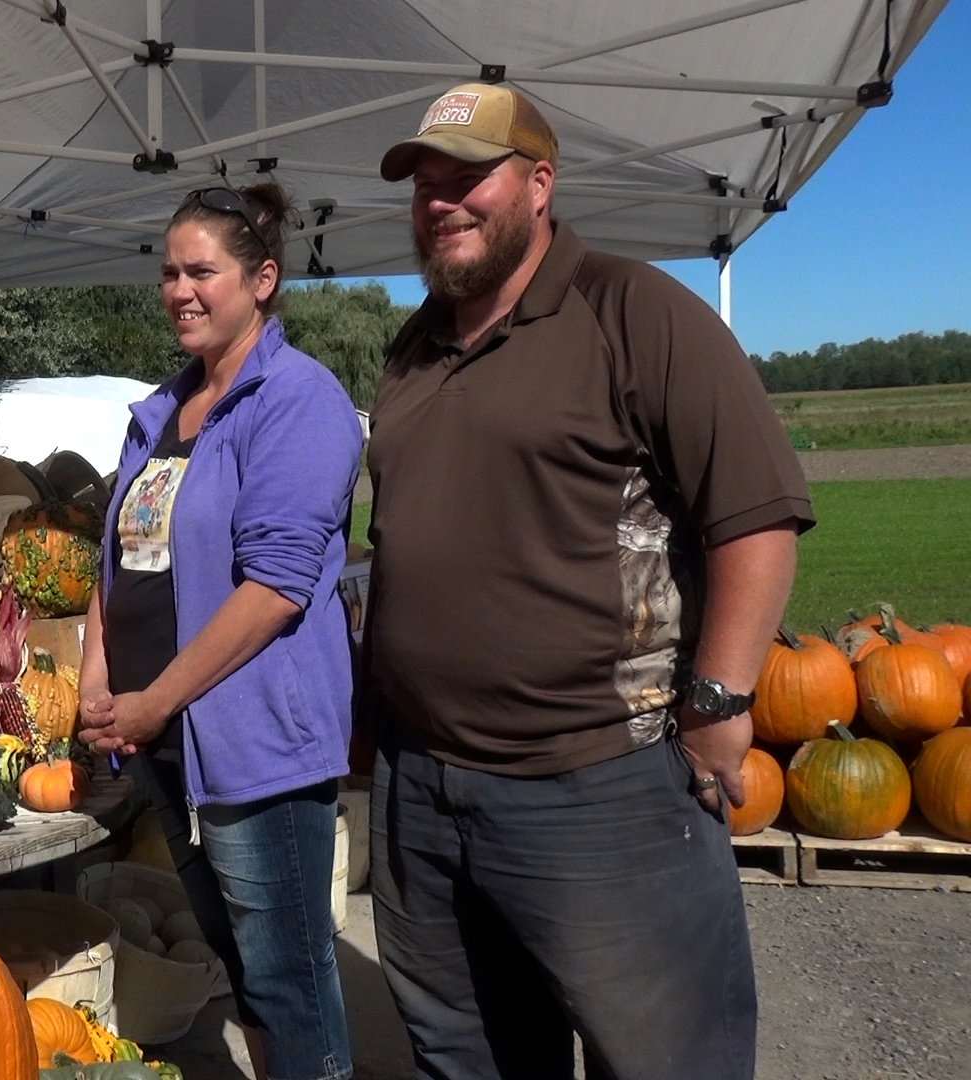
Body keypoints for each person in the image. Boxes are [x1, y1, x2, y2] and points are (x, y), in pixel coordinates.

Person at [362, 83, 813, 1080]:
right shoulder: (414, 343)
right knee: (466, 1056)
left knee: (661, 1058)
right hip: (423, 789)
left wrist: (720, 701)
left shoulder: (636, 311)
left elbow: (758, 518)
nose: (443, 200)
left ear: (539, 183)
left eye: (468, 177)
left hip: (597, 784)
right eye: (425, 183)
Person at [78, 182, 365, 1080]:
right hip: (165, 740)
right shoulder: (160, 413)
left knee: (289, 980)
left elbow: (276, 587)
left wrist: (152, 702)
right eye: (168, 271)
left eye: (202, 270)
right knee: (242, 976)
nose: (180, 289)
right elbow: (114, 563)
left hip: (255, 746)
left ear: (262, 280)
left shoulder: (297, 400)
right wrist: (95, 681)